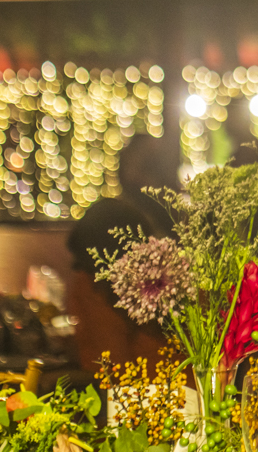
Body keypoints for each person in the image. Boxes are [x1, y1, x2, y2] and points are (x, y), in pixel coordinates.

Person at [62, 133, 178, 372]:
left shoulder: (96, 287)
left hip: (143, 395)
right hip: (180, 386)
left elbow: (112, 368)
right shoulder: (163, 275)